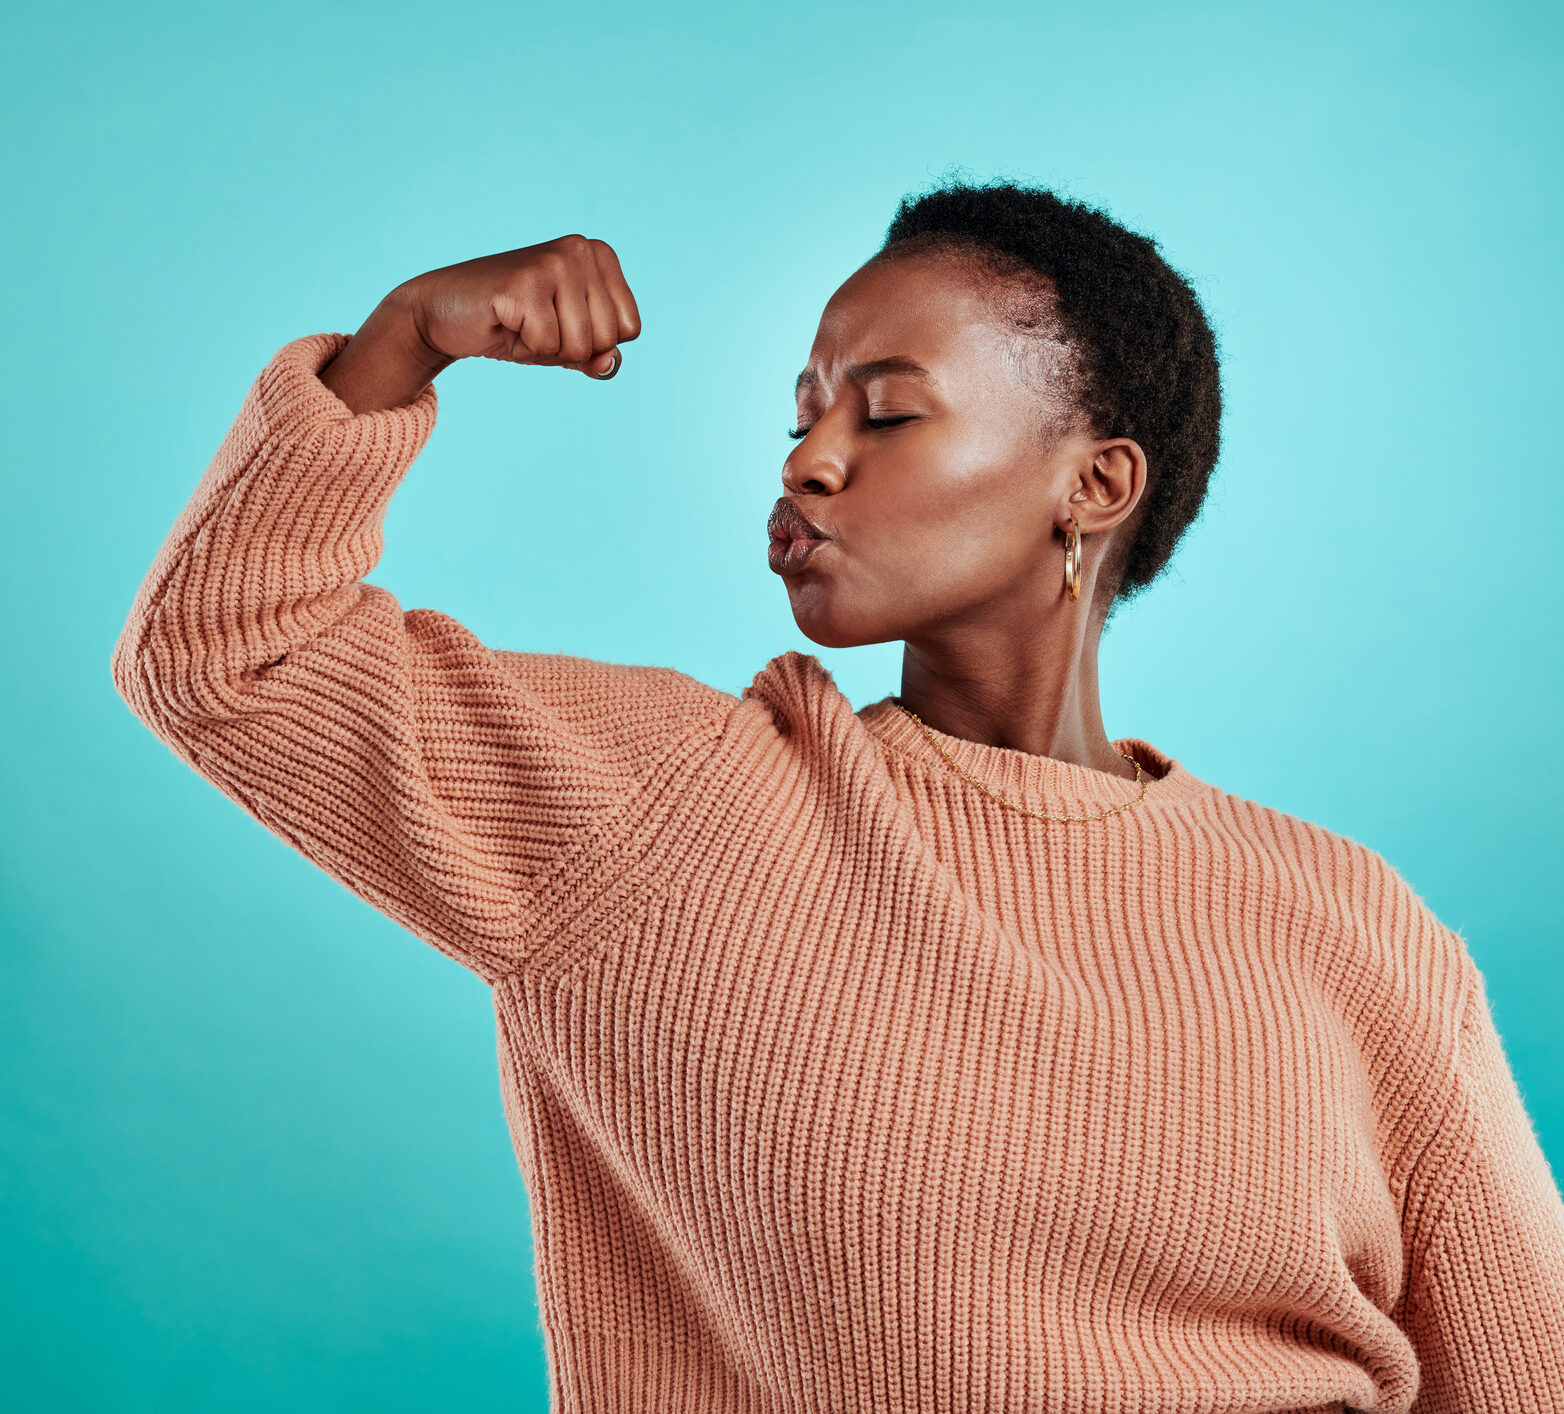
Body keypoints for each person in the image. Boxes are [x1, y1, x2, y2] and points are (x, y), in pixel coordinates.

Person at [111, 178, 1564, 1413]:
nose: (810, 458)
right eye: (805, 414)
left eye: (887, 415)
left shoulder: (1348, 922)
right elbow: (230, 649)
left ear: (1096, 485)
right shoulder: (675, 810)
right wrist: (402, 342)